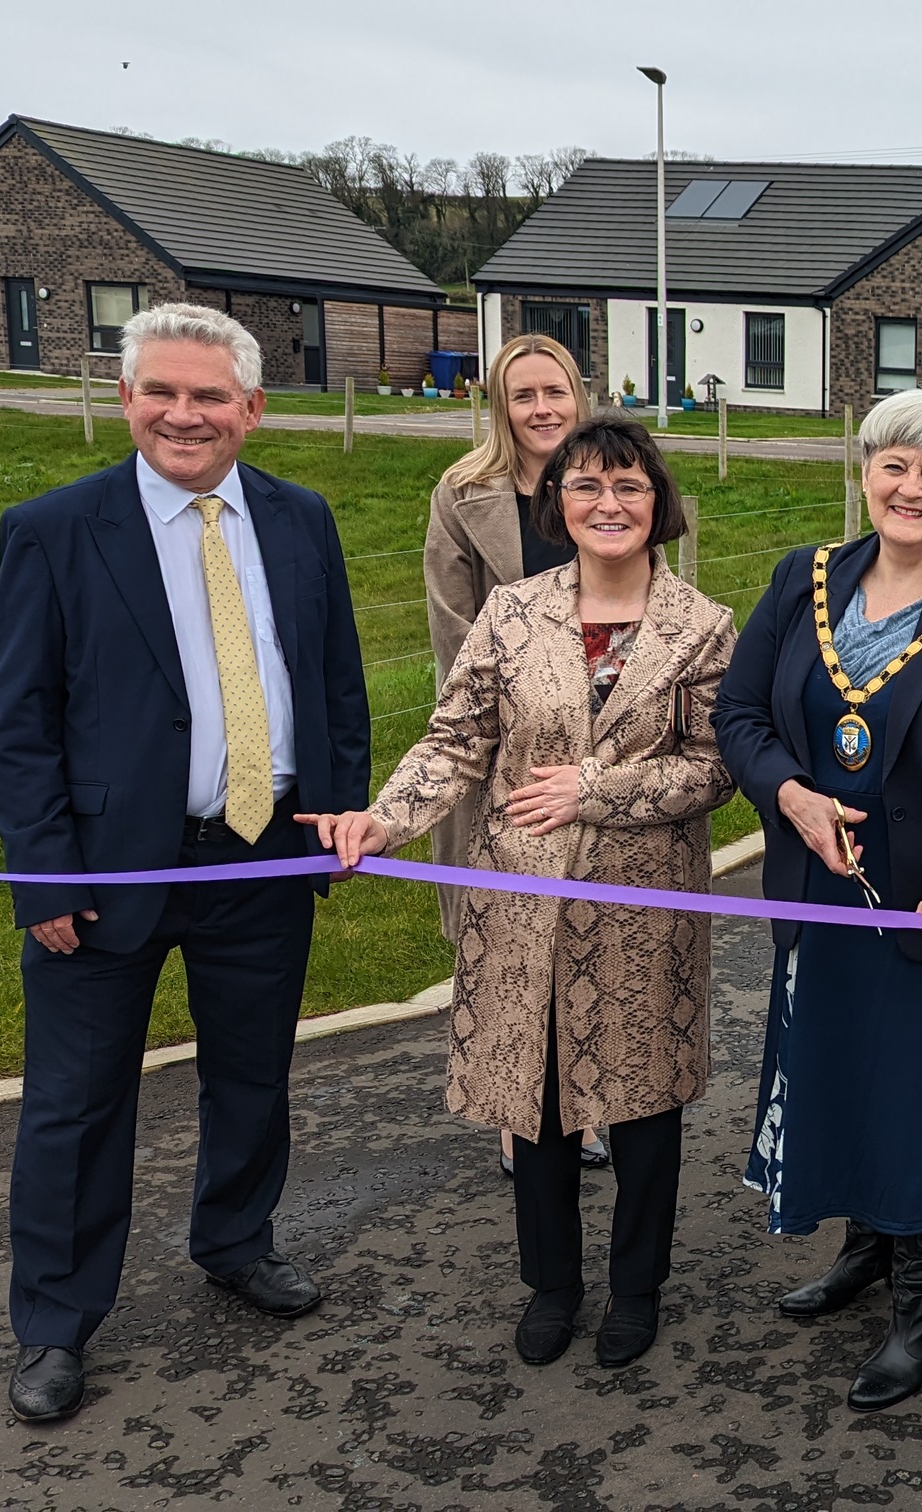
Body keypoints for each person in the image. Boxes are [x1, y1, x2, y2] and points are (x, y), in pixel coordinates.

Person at [0, 303, 372, 1423]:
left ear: (252, 409)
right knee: (76, 1103)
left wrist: (339, 810)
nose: (183, 414)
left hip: (261, 855)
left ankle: (236, 1239)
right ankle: (56, 1323)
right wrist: (44, 875)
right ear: (124, 399)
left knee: (251, 1075)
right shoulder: (57, 529)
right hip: (103, 876)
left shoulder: (302, 521)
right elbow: (22, 723)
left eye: (210, 396)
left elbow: (335, 681)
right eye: (162, 391)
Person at [301, 414, 737, 1374]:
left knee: (642, 1107)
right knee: (534, 1102)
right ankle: (553, 1284)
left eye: (628, 486)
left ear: (658, 505)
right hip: (522, 904)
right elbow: (456, 739)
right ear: (558, 504)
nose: (608, 504)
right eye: (586, 486)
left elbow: (715, 769)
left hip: (645, 908)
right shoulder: (512, 614)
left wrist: (600, 789)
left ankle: (635, 1289)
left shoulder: (701, 626)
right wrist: (382, 820)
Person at [712, 386, 922, 1413]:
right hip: (825, 894)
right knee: (848, 1076)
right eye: (894, 464)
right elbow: (740, 713)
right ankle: (866, 1249)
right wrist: (789, 794)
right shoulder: (803, 578)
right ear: (864, 469)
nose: (911, 487)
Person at [421, 332, 610, 1176]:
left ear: (579, 396)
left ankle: (590, 1104)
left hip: (604, 747)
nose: (542, 410)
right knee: (508, 940)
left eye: (555, 392)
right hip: (505, 753)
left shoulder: (611, 482)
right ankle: (517, 1116)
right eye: (523, 395)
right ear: (500, 405)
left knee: (591, 932)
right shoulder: (463, 495)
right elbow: (454, 632)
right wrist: (530, 710)